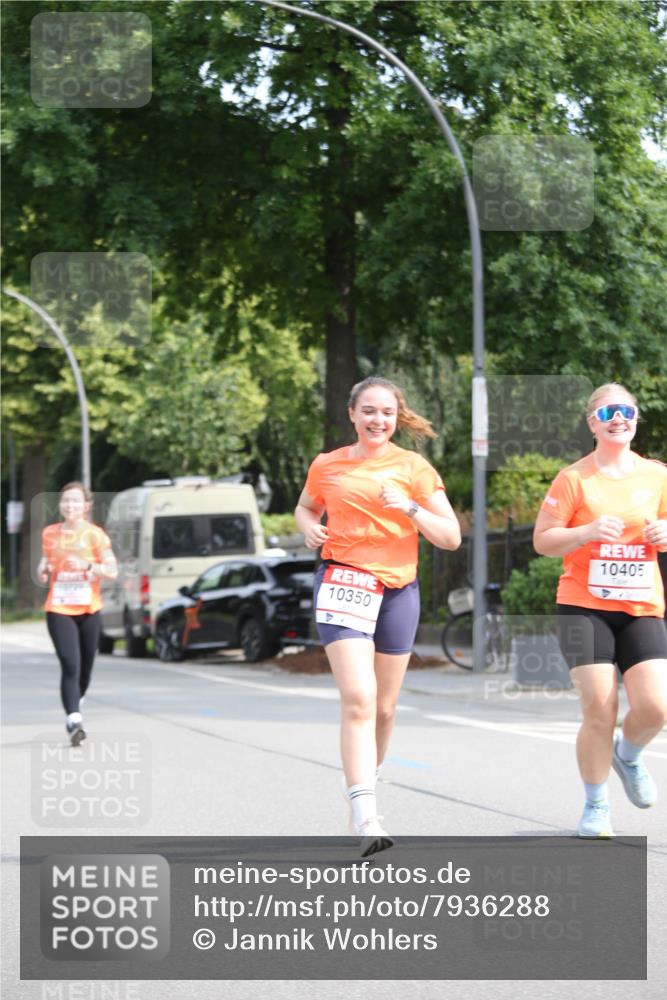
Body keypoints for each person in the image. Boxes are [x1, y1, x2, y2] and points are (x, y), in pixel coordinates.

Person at [295, 376, 461, 855]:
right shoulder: (328, 465)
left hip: (396, 591)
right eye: (368, 410)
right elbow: (305, 509)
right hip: (342, 582)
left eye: (386, 412)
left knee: (385, 709)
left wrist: (409, 506)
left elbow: (449, 537)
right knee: (359, 697)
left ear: (396, 417)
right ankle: (365, 812)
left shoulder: (413, 467)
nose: (377, 420)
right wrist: (310, 529)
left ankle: (369, 775)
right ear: (352, 414)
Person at [533, 383, 667, 838]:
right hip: (582, 606)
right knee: (599, 708)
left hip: (641, 605)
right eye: (608, 410)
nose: (619, 417)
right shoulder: (574, 479)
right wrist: (585, 531)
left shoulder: (657, 475)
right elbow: (543, 539)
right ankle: (596, 806)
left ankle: (627, 756)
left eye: (627, 410)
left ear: (635, 419)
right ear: (592, 421)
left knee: (656, 707)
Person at [38, 482, 118, 746]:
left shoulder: (96, 535)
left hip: (89, 608)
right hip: (59, 607)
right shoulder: (50, 533)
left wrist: (86, 564)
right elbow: (47, 559)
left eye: (75, 501)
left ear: (86, 505)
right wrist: (44, 568)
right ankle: (74, 720)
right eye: (65, 501)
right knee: (70, 664)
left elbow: (112, 570)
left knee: (85, 669)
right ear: (60, 505)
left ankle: (76, 700)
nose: (69, 505)